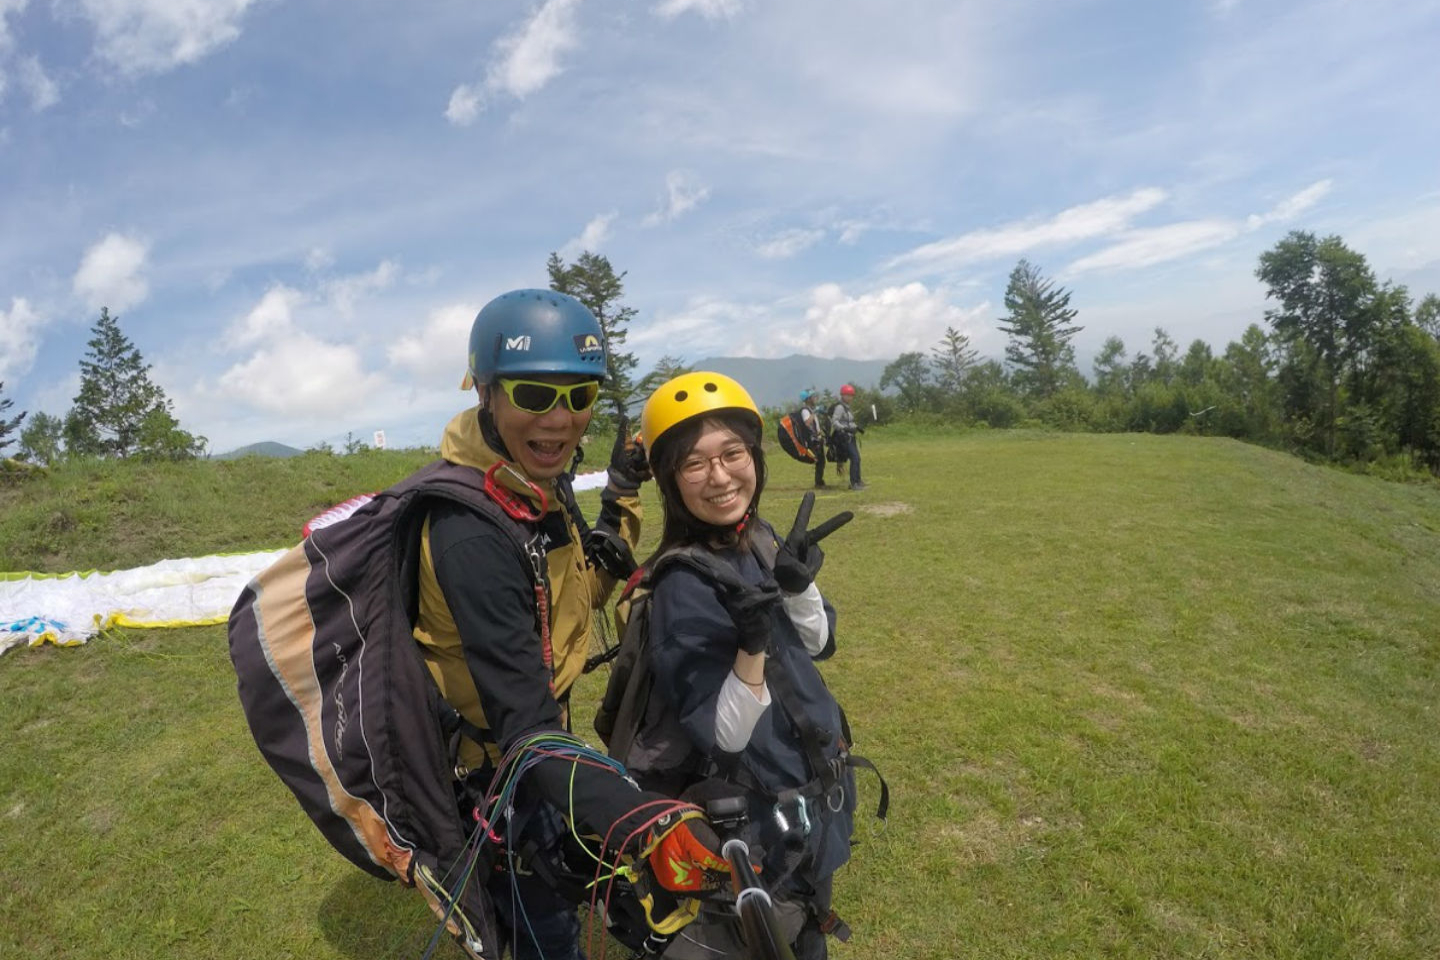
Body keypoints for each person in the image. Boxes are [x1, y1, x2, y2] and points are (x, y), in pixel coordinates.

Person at [414, 290, 729, 960]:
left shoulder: (530, 482)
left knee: (563, 900)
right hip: (494, 770)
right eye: (533, 395)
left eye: (579, 394)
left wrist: (619, 496)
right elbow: (525, 728)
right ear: (487, 395)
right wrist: (640, 817)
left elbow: (567, 600)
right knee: (546, 934)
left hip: (540, 748)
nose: (559, 419)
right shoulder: (470, 531)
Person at [636, 371, 859, 959]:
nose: (720, 476)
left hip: (811, 793)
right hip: (755, 818)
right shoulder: (680, 585)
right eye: (695, 464)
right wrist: (751, 644)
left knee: (811, 925)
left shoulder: (757, 537)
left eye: (732, 453)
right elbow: (721, 737)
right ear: (670, 481)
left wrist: (799, 588)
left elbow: (820, 643)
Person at [828, 384, 865, 490]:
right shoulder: (840, 407)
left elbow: (849, 421)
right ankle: (854, 483)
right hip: (844, 437)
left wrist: (856, 427)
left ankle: (858, 480)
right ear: (842, 395)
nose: (850, 397)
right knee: (855, 458)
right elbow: (835, 422)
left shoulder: (847, 408)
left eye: (851, 395)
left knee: (857, 458)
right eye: (847, 395)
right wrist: (845, 428)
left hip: (850, 436)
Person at [797, 388, 827, 488]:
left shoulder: (810, 410)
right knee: (819, 461)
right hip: (813, 440)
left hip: (817, 438)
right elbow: (807, 423)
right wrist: (815, 412)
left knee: (821, 461)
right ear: (808, 399)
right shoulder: (805, 411)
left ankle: (820, 481)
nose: (815, 399)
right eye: (813, 397)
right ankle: (818, 482)